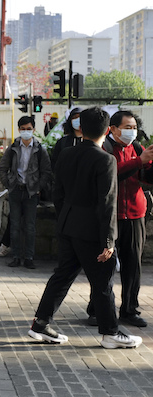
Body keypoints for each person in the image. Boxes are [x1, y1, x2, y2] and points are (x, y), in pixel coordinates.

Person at [28, 107, 143, 349]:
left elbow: (58, 194)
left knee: (62, 276)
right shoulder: (106, 159)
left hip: (68, 226)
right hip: (91, 231)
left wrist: (65, 220)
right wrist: (109, 241)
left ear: (81, 127)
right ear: (107, 130)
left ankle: (40, 324)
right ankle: (110, 332)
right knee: (103, 281)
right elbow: (106, 203)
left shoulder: (67, 154)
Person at [85, 111, 152, 328]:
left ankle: (129, 309)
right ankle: (97, 309)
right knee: (104, 265)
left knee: (133, 264)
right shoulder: (104, 148)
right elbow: (110, 174)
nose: (131, 132)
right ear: (112, 129)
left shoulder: (138, 148)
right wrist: (138, 162)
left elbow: (145, 178)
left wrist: (148, 164)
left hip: (134, 213)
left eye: (134, 128)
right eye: (127, 127)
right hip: (109, 215)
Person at [0, 116, 53, 269]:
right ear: (19, 130)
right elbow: (2, 168)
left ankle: (29, 257)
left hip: (31, 193)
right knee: (14, 226)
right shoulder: (13, 147)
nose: (26, 132)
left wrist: (38, 187)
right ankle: (15, 256)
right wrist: (8, 183)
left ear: (34, 129)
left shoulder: (40, 149)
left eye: (29, 129)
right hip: (16, 190)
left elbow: (46, 171)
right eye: (23, 129)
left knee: (30, 226)